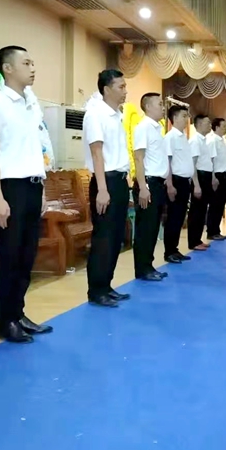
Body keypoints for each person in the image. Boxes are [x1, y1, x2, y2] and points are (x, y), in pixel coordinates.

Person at [0, 45, 52, 344]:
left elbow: (35, 150)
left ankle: (18, 313)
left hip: (32, 186)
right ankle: (5, 321)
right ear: (7, 68)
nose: (33, 68)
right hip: (9, 188)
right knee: (8, 256)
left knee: (26, 255)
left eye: (33, 62)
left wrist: (42, 189)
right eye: (26, 63)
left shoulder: (30, 105)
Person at [82, 69, 132, 308]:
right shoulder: (95, 114)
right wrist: (102, 189)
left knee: (116, 237)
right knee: (103, 238)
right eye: (120, 87)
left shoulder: (117, 115)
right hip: (106, 182)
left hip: (119, 181)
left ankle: (107, 285)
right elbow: (97, 153)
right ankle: (96, 290)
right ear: (106, 89)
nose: (125, 91)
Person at [132, 92, 169, 281]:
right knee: (145, 229)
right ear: (147, 107)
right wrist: (143, 187)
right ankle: (142, 269)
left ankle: (149, 265)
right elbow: (138, 158)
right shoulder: (143, 127)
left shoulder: (157, 128)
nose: (163, 107)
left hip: (158, 184)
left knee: (153, 228)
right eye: (159, 104)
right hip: (148, 183)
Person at [163, 105, 198, 264]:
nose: (187, 119)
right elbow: (168, 162)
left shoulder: (184, 137)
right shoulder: (170, 137)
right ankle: (169, 252)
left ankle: (174, 249)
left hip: (185, 182)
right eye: (184, 116)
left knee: (180, 217)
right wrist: (170, 185)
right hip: (175, 181)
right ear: (175, 118)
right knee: (173, 217)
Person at [187, 114, 213, 252]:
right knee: (196, 211)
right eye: (207, 123)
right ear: (199, 124)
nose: (210, 125)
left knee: (202, 210)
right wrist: (196, 184)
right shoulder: (195, 141)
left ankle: (197, 239)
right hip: (199, 178)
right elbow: (193, 165)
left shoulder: (204, 141)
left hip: (206, 177)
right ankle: (193, 241)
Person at [206, 118, 226, 241]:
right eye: (223, 126)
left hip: (225, 175)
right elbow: (210, 160)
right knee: (215, 205)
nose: (225, 129)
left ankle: (216, 230)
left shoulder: (222, 141)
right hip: (218, 176)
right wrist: (213, 177)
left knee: (221, 204)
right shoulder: (213, 141)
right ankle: (211, 231)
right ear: (216, 127)